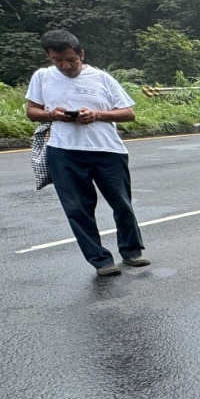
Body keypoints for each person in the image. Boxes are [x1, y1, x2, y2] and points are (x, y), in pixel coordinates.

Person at [24, 29, 148, 277]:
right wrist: (52, 115)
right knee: (78, 209)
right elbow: (32, 111)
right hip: (63, 152)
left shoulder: (102, 78)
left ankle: (132, 251)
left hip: (107, 150)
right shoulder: (42, 77)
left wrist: (97, 115)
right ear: (50, 57)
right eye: (57, 60)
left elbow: (129, 113)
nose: (65, 66)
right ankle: (100, 260)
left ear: (81, 54)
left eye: (71, 59)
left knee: (122, 203)